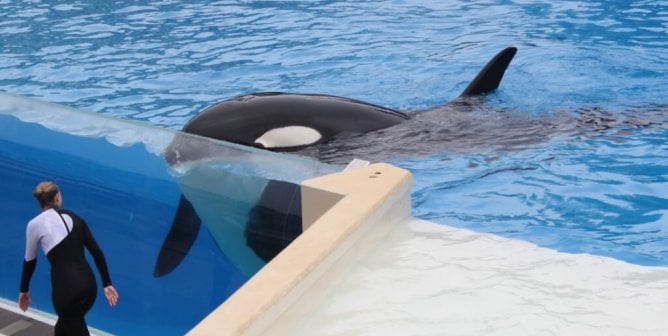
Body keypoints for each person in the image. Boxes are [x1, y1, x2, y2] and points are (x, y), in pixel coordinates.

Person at [18, 181, 119, 336]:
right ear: (57, 198)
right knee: (63, 328)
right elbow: (97, 252)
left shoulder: (33, 225)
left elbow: (29, 261)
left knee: (70, 322)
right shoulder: (75, 217)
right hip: (89, 288)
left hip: (66, 293)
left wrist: (24, 290)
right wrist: (107, 283)